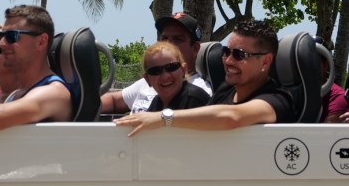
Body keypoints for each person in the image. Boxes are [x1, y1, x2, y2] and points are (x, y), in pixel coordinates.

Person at [115, 19, 294, 136]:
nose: (228, 61)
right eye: (226, 52)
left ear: (265, 61)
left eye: (239, 55)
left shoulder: (277, 99)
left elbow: (232, 118)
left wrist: (162, 118)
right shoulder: (226, 89)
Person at [101, 12, 212, 113]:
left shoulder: (198, 94)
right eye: (164, 38)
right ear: (147, 78)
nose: (169, 44)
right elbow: (113, 101)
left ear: (195, 48)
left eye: (178, 39)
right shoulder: (151, 89)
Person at [139, 42, 211, 112]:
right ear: (147, 79)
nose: (165, 76)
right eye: (155, 71)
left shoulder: (194, 99)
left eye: (171, 67)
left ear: (183, 70)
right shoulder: (156, 102)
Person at [313, 37, 348, 123]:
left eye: (313, 62)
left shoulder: (338, 97)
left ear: (326, 65)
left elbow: (325, 131)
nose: (307, 67)